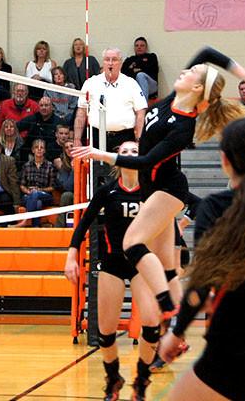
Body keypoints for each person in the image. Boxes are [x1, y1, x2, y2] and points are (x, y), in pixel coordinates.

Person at [73, 46, 245, 323]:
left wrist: (101, 155)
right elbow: (205, 53)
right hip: (153, 190)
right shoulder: (173, 99)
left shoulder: (184, 126)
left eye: (192, 72)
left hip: (167, 188)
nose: (186, 69)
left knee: (132, 244)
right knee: (167, 267)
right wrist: (239, 70)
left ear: (196, 87)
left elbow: (145, 161)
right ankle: (176, 331)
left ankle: (166, 303)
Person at [158, 120, 245, 401]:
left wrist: (177, 333)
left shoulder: (217, 206)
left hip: (233, 348)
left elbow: (201, 281)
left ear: (224, 160)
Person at [64, 140, 159, 401]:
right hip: (112, 262)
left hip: (140, 262)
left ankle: (141, 379)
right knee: (105, 332)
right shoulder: (108, 191)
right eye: (124, 151)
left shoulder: (152, 191)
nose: (129, 155)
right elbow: (84, 223)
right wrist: (72, 253)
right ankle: (113, 377)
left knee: (152, 325)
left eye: (135, 151)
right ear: (117, 158)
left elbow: (175, 213)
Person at [73, 47, 147, 152]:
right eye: (107, 59)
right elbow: (81, 111)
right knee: (98, 168)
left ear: (121, 63)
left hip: (124, 137)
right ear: (103, 62)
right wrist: (77, 139)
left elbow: (141, 113)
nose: (110, 63)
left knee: (123, 168)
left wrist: (139, 139)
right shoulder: (91, 83)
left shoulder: (131, 83)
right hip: (96, 137)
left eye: (114, 59)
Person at [19, 139, 57, 227]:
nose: (39, 149)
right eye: (36, 147)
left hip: (45, 195)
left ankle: (25, 221)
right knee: (37, 203)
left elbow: (53, 187)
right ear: (32, 150)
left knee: (36, 194)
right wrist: (29, 192)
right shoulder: (26, 166)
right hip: (28, 195)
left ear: (44, 150)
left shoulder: (50, 166)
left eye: (42, 147)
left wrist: (39, 190)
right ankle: (35, 227)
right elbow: (22, 185)